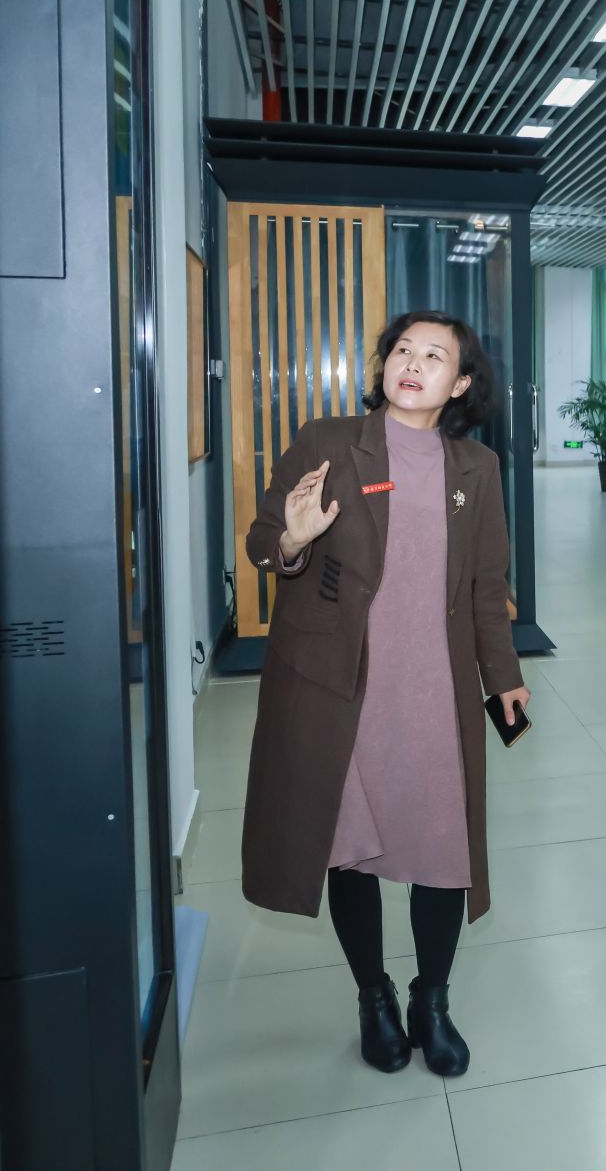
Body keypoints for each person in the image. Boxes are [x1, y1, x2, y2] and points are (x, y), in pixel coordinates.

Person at [240, 311, 529, 1078]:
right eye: (403, 349)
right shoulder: (328, 441)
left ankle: (432, 997)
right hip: (340, 689)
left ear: (460, 384)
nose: (413, 363)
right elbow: (263, 540)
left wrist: (503, 678)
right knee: (350, 853)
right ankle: (372, 994)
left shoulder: (476, 467)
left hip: (433, 688)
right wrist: (293, 538)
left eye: (435, 356)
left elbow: (487, 585)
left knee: (443, 851)